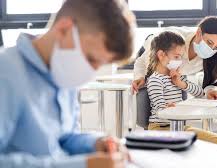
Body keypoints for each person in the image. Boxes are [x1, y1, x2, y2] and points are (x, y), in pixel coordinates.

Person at [0, 0, 135, 167]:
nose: (91, 72)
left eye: (100, 64)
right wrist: (83, 165)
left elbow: (63, 139)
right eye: (91, 59)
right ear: (64, 29)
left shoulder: (63, 73)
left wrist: (95, 144)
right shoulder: (6, 73)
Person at [146, 31, 217, 145]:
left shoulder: (178, 76)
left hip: (178, 126)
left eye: (181, 57)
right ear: (161, 55)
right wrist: (168, 107)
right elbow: (160, 108)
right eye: (176, 57)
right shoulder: (155, 80)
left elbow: (201, 93)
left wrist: (181, 84)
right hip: (160, 128)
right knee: (216, 140)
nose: (179, 61)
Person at [132, 16, 217, 100]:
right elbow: (141, 62)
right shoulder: (174, 40)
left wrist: (211, 90)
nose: (211, 49)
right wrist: (140, 76)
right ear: (199, 33)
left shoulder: (212, 56)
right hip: (151, 50)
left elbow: (208, 83)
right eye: (209, 42)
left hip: (175, 77)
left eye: (216, 47)